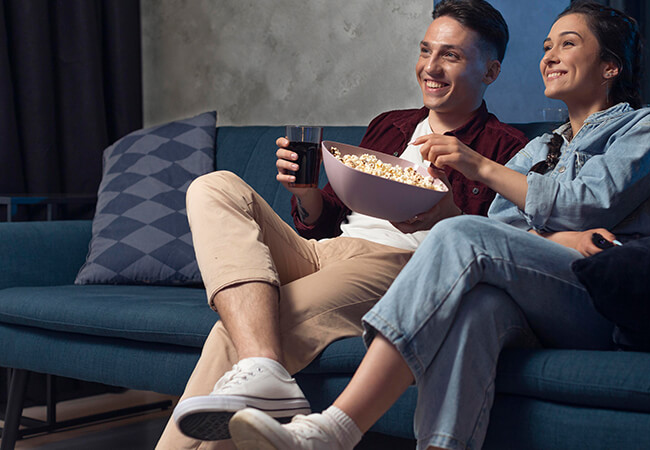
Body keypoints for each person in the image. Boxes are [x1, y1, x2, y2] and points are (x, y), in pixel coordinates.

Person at [226, 2, 650, 450]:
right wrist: (556, 237)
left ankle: (336, 430)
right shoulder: (544, 147)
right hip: (541, 294)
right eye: (547, 46)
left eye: (568, 44)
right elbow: (500, 224)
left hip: (606, 295)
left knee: (456, 234)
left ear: (611, 66)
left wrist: (481, 167)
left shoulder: (647, 127)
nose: (550, 56)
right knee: (478, 308)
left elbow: (587, 202)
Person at [155, 1, 529, 448]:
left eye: (451, 55)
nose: (430, 67)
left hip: (401, 264)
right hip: (326, 252)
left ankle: (258, 368)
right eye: (425, 50)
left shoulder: (506, 148)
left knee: (235, 329)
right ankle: (265, 368)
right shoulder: (389, 125)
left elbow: (494, 248)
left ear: (490, 71)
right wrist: (307, 195)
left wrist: (448, 210)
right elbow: (327, 218)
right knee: (213, 186)